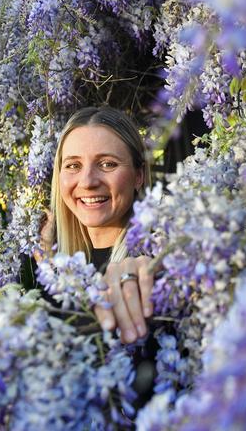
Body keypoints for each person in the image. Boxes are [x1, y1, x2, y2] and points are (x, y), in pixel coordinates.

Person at [40, 106, 156, 344]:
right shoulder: (61, 275)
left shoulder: (155, 265)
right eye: (73, 165)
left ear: (138, 176)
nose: (88, 181)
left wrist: (152, 269)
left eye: (107, 164)